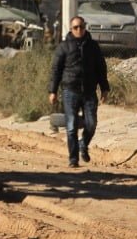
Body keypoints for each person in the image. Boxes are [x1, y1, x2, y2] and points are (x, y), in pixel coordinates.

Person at [47, 15, 110, 168]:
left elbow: (101, 68)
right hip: (70, 91)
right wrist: (53, 91)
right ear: (71, 29)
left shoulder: (93, 46)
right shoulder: (63, 47)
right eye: (75, 27)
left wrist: (105, 88)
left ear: (85, 27)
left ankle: (83, 144)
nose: (79, 30)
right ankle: (73, 159)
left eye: (81, 27)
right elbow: (56, 69)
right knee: (71, 126)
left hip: (89, 91)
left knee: (91, 124)